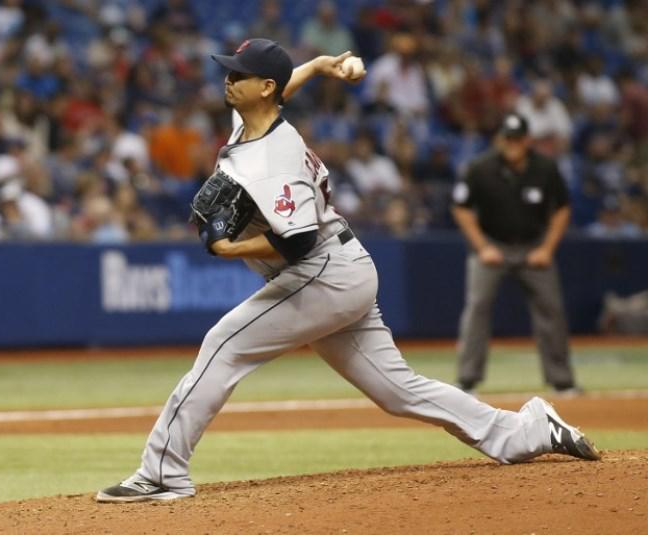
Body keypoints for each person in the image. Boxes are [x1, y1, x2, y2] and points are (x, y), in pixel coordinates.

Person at [96, 40, 599, 504]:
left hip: (322, 270)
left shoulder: (274, 158)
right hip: (343, 269)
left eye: (239, 75)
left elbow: (297, 239)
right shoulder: (256, 120)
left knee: (224, 345)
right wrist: (317, 65)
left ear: (263, 88)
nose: (228, 81)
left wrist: (227, 248)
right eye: (229, 73)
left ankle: (163, 471)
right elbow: (281, 88)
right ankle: (528, 430)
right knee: (397, 390)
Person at [452, 113, 579, 396]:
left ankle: (563, 381)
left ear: (527, 140)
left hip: (533, 246)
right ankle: (467, 379)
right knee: (477, 306)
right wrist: (483, 247)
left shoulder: (545, 168)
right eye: (508, 139)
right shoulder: (480, 168)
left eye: (517, 139)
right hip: (493, 245)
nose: (512, 144)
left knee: (551, 309)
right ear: (500, 139)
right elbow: (460, 207)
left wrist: (547, 248)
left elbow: (562, 208)